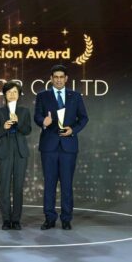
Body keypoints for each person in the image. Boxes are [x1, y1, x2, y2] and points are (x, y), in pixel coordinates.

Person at [34, 64, 89, 230]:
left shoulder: (75, 96)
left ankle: (66, 219)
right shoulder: (42, 96)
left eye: (61, 77)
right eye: (55, 77)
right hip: (49, 146)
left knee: (66, 184)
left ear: (66, 79)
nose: (58, 80)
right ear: (51, 79)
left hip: (68, 147)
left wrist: (73, 130)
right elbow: (37, 116)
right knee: (49, 184)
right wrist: (43, 122)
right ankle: (49, 218)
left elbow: (84, 118)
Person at [0, 81, 32, 230]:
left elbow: (27, 130)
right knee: (4, 186)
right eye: (9, 92)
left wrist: (18, 123)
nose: (12, 94)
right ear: (4, 94)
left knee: (18, 187)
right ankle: (6, 219)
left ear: (19, 94)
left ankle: (16, 220)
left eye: (15, 92)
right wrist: (4, 127)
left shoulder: (24, 111)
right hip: (4, 151)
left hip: (20, 151)